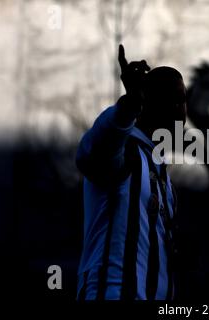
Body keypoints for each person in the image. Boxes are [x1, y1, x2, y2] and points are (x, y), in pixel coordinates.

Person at [75, 44, 187, 300]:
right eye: (174, 101)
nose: (182, 112)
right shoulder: (124, 150)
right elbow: (90, 155)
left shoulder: (162, 177)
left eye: (184, 100)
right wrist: (129, 105)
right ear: (149, 104)